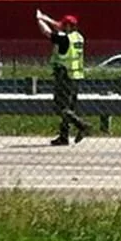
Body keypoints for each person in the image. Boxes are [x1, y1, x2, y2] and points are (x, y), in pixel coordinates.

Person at [36, 10, 91, 146]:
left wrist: (40, 21)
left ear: (68, 27)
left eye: (63, 25)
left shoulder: (64, 39)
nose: (60, 26)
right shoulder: (78, 37)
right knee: (69, 108)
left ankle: (82, 125)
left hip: (65, 76)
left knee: (60, 107)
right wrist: (46, 17)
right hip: (76, 76)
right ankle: (64, 136)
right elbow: (57, 27)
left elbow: (48, 33)